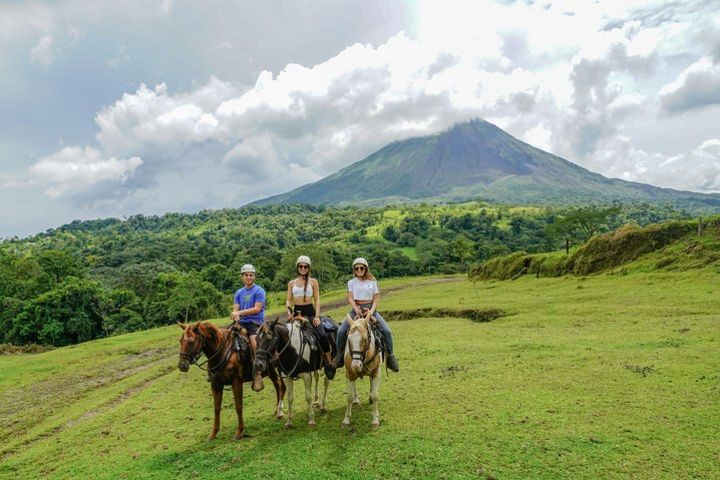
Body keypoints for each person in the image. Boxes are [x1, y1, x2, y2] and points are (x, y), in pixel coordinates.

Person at [332, 257, 399, 372]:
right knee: (341, 331)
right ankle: (339, 356)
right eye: (356, 268)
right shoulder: (351, 283)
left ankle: (391, 358)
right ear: (354, 269)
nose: (359, 270)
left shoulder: (373, 282)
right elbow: (350, 298)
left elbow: (376, 298)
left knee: (387, 331)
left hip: (371, 309)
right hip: (356, 310)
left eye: (361, 268)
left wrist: (371, 312)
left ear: (365, 269)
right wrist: (355, 309)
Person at [286, 255, 336, 380]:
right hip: (296, 313)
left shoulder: (314, 282)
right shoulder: (291, 283)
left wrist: (317, 316)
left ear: (308, 268)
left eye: (305, 267)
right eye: (301, 266)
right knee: (283, 334)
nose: (303, 268)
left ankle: (329, 363)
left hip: (310, 312)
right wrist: (288, 311)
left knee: (322, 335)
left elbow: (317, 299)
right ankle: (286, 364)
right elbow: (288, 300)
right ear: (297, 268)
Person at [231, 264, 266, 389]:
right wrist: (235, 316)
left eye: (251, 275)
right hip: (241, 323)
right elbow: (236, 308)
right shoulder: (238, 293)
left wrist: (239, 313)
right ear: (242, 277)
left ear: (254, 276)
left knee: (255, 344)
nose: (248, 277)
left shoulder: (259, 291)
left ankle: (258, 373)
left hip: (255, 322)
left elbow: (257, 309)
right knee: (225, 338)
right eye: (246, 275)